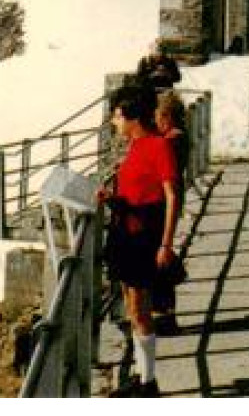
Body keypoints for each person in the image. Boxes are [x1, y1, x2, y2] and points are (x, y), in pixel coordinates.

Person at [100, 84, 179, 397]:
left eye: (117, 116)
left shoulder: (157, 146)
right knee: (133, 309)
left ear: (132, 116)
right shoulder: (137, 146)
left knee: (138, 309)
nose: (114, 123)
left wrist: (166, 244)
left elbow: (172, 196)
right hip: (128, 233)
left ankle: (148, 384)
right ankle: (143, 377)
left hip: (142, 238)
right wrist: (111, 198)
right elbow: (137, 192)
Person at [150, 91, 190, 335]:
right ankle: (164, 314)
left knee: (161, 257)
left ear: (165, 117)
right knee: (161, 256)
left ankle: (164, 315)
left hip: (164, 202)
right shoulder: (176, 137)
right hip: (170, 199)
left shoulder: (172, 140)